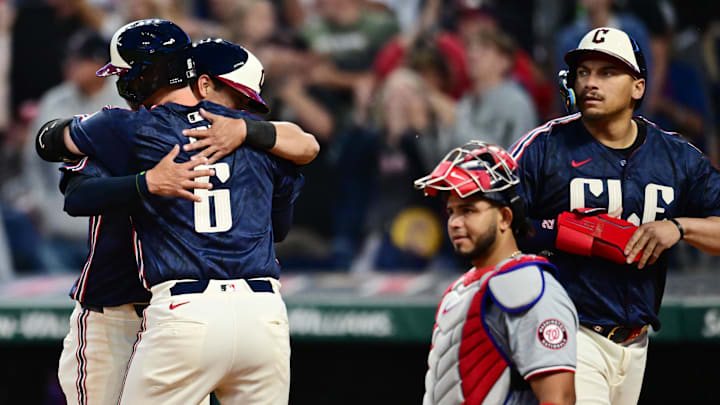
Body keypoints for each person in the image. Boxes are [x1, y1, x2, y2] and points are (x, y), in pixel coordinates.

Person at [40, 19, 309, 404]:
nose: (235, 109)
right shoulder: (130, 129)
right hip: (121, 310)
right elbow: (76, 196)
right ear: (200, 81)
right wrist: (147, 182)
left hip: (179, 312)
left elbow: (50, 144)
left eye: (246, 104)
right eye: (233, 94)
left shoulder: (135, 129)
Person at [511, 27, 720, 405]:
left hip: (635, 342)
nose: (591, 82)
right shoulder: (544, 147)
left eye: (607, 72)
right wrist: (558, 232)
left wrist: (680, 227)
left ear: (638, 87)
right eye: (584, 72)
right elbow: (493, 226)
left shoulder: (677, 156)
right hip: (564, 332)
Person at [415, 141, 577, 405]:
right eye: (451, 211)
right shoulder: (462, 288)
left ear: (505, 217)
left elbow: (559, 399)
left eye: (469, 210)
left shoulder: (528, 287)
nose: (455, 222)